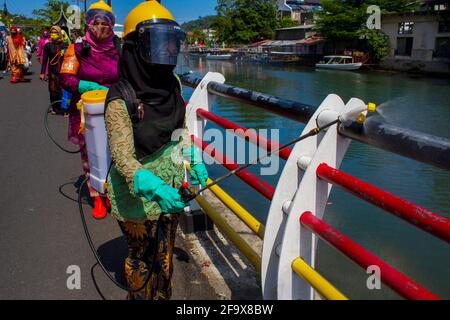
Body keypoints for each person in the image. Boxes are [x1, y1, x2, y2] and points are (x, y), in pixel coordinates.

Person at [104, 0, 209, 300]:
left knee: (164, 257)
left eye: (172, 42)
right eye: (159, 43)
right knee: (141, 259)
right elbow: (123, 160)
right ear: (136, 47)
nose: (168, 51)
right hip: (137, 197)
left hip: (173, 188)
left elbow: (181, 130)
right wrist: (156, 189)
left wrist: (193, 159)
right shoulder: (119, 98)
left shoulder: (173, 83)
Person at [60, 0, 120, 219]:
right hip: (86, 112)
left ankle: (113, 193)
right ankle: (97, 197)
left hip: (115, 109)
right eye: (96, 20)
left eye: (106, 21)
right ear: (88, 22)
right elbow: (65, 78)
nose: (101, 25)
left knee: (116, 151)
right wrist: (84, 85)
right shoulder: (76, 49)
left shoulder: (118, 48)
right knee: (91, 153)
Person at [40, 26, 66, 115]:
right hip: (52, 72)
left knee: (62, 90)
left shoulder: (64, 45)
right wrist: (42, 73)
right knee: (52, 90)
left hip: (63, 72)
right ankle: (54, 108)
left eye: (55, 32)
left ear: (59, 33)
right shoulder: (48, 46)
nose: (53, 34)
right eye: (52, 32)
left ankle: (64, 108)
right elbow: (44, 60)